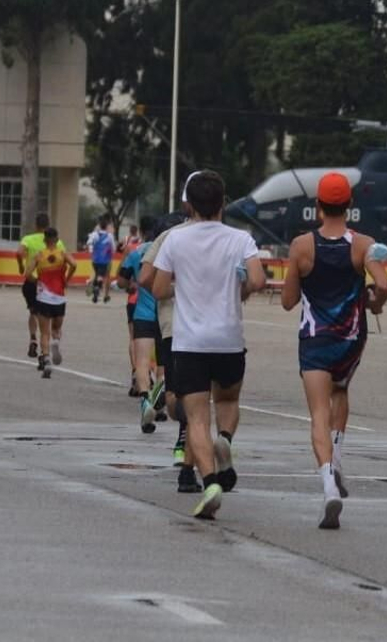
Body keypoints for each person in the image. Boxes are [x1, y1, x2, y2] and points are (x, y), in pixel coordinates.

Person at [150, 170, 265, 520]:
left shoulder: (174, 240)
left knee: (197, 418)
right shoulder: (241, 239)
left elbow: (156, 289)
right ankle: (226, 439)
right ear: (223, 203)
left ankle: (211, 481)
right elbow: (258, 280)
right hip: (229, 339)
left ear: (189, 204)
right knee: (227, 399)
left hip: (189, 342)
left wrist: (183, 288)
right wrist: (239, 287)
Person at [281, 172, 387, 529]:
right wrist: (375, 303)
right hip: (350, 339)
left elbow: (288, 301)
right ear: (349, 206)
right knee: (340, 392)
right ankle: (339, 456)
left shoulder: (301, 246)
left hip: (315, 339)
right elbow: (385, 283)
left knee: (317, 413)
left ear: (317, 207)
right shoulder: (363, 244)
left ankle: (328, 484)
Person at [141, 210, 194, 487]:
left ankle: (189, 448)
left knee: (195, 394)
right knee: (188, 398)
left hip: (177, 327)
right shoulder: (169, 237)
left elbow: (144, 279)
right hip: (190, 327)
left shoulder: (167, 237)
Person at [119, 218, 169, 433]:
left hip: (142, 314)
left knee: (141, 362)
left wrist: (130, 288)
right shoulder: (171, 253)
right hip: (166, 315)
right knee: (162, 366)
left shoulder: (136, 252)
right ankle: (159, 401)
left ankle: (145, 402)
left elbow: (121, 280)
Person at [25, 227, 78, 378]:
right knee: (56, 329)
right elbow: (74, 265)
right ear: (57, 239)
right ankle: (56, 341)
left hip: (43, 297)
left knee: (44, 332)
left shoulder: (39, 256)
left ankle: (47, 359)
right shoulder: (62, 254)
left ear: (44, 240)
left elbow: (27, 274)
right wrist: (66, 280)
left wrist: (37, 281)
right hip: (59, 297)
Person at [17, 213, 65, 359]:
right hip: (52, 286)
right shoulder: (58, 242)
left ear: (36, 225)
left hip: (33, 283)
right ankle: (53, 342)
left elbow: (19, 253)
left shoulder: (28, 239)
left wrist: (21, 266)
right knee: (51, 321)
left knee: (33, 313)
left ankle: (33, 339)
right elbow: (64, 259)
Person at [88, 219, 116, 304]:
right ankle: (100, 289)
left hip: (95, 259)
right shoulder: (109, 235)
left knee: (97, 274)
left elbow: (89, 243)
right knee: (104, 276)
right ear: (107, 226)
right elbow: (113, 247)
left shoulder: (94, 234)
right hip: (105, 259)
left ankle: (95, 288)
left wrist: (91, 251)